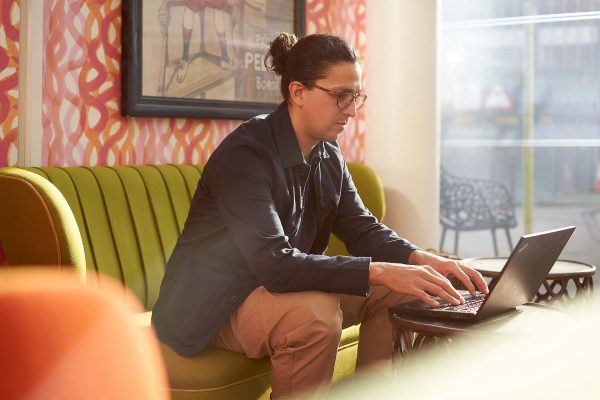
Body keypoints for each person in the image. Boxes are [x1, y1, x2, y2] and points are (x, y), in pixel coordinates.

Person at [152, 32, 489, 399]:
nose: (352, 110)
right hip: (213, 305)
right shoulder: (245, 156)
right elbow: (275, 264)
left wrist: (418, 259)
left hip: (271, 291)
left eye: (356, 96)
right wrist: (379, 269)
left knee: (405, 293)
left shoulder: (327, 152)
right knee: (315, 315)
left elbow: (361, 227)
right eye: (341, 96)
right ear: (298, 92)